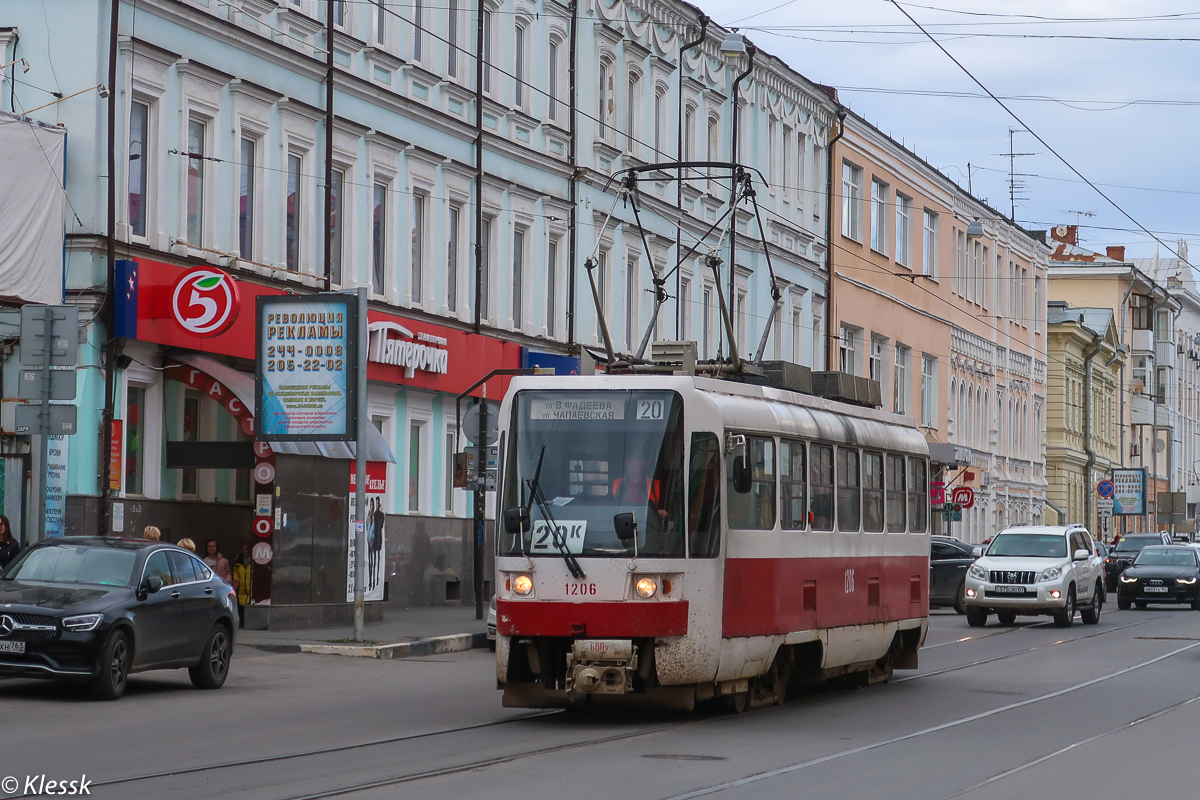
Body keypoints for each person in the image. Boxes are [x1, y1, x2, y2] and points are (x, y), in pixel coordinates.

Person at [613, 455, 667, 520]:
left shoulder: (656, 485)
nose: (631, 463)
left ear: (644, 463)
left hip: (647, 525)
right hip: (622, 524)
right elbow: (610, 509)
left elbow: (665, 510)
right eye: (628, 460)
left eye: (635, 460)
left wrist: (660, 513)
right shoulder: (617, 484)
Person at [231, 543, 253, 628]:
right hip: (241, 588)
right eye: (243, 549)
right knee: (240, 607)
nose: (244, 551)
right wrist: (236, 580)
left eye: (246, 549)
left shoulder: (254, 560)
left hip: (249, 587)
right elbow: (235, 571)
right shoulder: (239, 559)